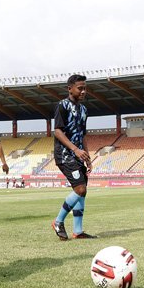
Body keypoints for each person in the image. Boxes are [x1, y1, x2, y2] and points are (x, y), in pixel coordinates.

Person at [51, 75, 96, 240]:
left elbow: (83, 134)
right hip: (65, 155)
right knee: (80, 189)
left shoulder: (84, 110)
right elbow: (57, 131)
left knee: (82, 193)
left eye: (85, 88)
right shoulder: (62, 106)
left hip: (78, 155)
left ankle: (77, 231)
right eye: (80, 88)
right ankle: (58, 221)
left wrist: (87, 156)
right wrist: (76, 149)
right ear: (70, 88)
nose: (83, 91)